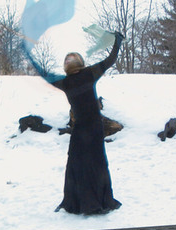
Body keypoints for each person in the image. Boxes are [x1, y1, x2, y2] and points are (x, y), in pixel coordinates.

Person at [47, 32, 124, 214]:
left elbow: (110, 60)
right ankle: (72, 202)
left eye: (72, 57)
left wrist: (117, 41)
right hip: (80, 129)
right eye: (66, 58)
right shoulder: (64, 82)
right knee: (74, 163)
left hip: (95, 128)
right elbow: (44, 75)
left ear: (80, 61)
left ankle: (97, 203)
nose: (68, 59)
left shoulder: (90, 73)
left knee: (96, 163)